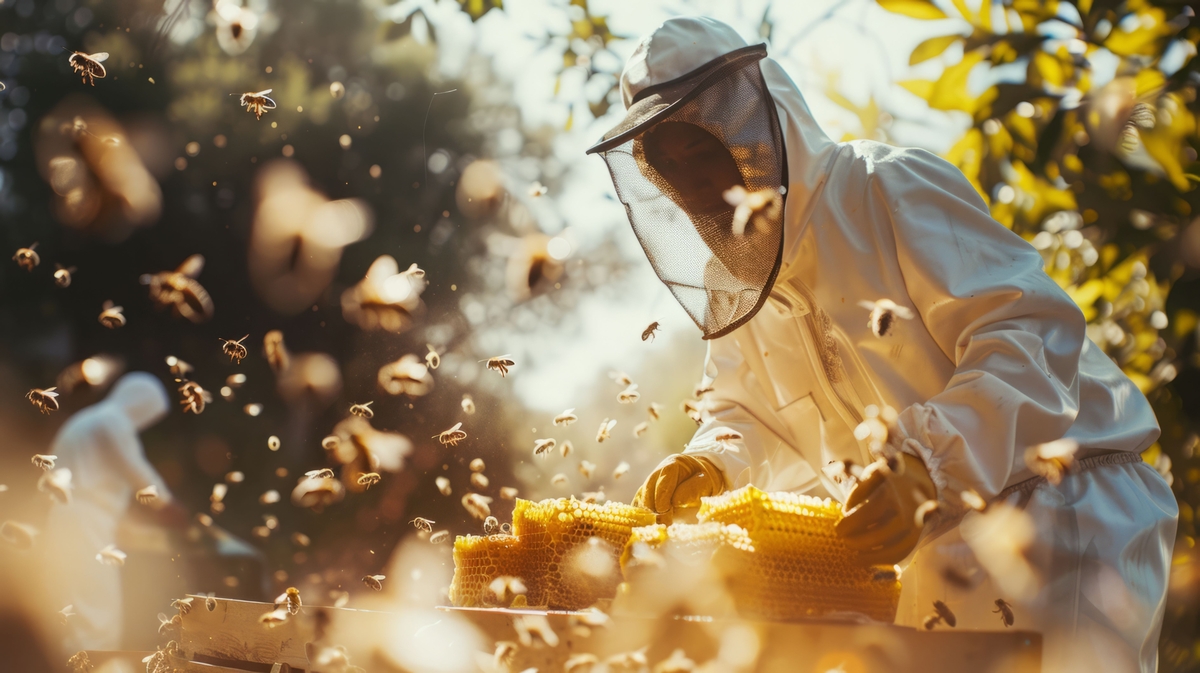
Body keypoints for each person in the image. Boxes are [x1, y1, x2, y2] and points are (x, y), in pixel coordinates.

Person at [588, 17, 1176, 672]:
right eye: (669, 165)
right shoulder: (737, 282)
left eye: (701, 148)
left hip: (1059, 509)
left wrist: (931, 461)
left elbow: (1029, 331)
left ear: (753, 123)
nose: (693, 183)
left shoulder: (886, 187)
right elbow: (746, 412)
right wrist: (715, 462)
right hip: (936, 543)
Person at [41, 372, 184, 655]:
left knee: (69, 598)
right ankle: (95, 663)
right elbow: (137, 470)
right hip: (86, 521)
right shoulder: (112, 421)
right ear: (142, 404)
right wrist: (169, 506)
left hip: (63, 515)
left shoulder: (84, 420)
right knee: (96, 601)